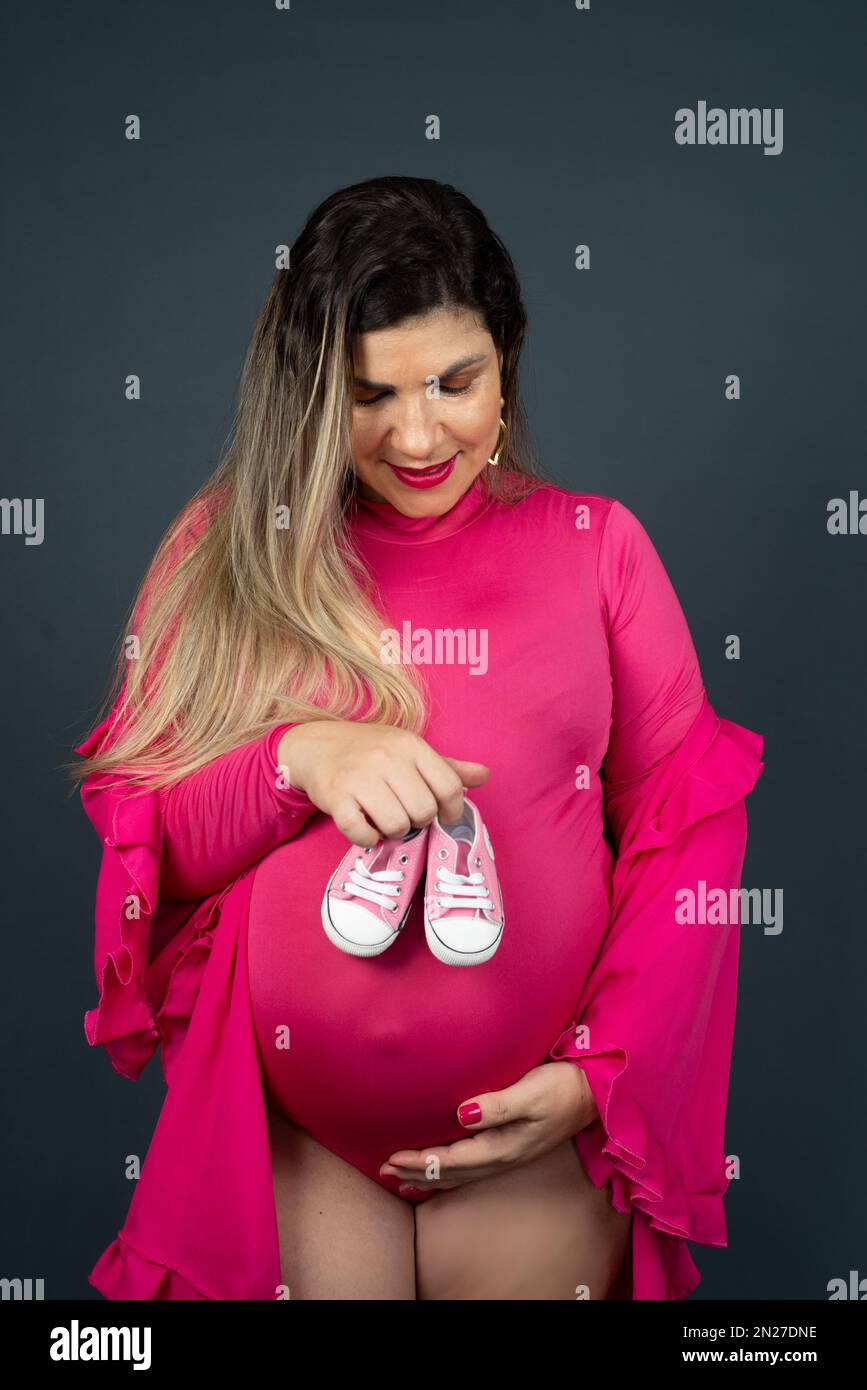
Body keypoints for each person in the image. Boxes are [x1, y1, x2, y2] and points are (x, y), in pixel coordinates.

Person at [69, 175, 765, 1300]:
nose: (418, 431)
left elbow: (690, 837)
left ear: (510, 356)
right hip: (297, 1144)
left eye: (456, 381)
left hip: (527, 1141)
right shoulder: (224, 553)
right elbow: (155, 850)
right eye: (369, 394)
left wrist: (605, 1072)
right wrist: (297, 758)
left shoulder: (596, 547)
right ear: (307, 390)